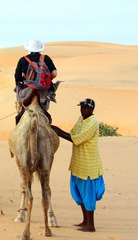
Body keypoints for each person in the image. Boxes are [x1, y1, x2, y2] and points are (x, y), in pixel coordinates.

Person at [51, 98, 105, 232]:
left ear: (91, 109)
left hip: (88, 165)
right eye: (81, 107)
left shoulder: (93, 122)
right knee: (79, 194)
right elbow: (73, 132)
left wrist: (56, 130)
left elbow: (76, 139)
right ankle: (85, 221)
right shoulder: (81, 119)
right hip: (77, 164)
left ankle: (90, 225)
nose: (82, 110)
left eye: (85, 108)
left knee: (88, 195)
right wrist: (57, 130)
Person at [14, 39, 59, 124]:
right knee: (45, 110)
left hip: (27, 92)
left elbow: (17, 78)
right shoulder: (46, 58)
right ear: (40, 49)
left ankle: (20, 114)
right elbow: (54, 74)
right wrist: (45, 81)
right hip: (43, 92)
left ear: (28, 49)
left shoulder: (23, 60)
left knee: (19, 99)